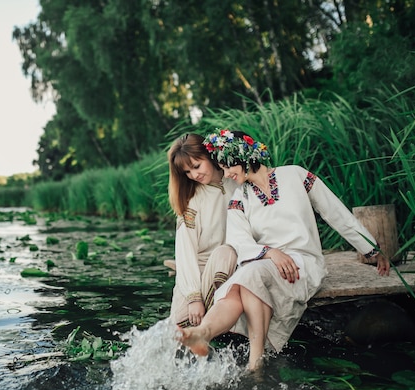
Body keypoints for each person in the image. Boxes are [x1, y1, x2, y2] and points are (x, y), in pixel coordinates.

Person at [178, 129, 390, 370]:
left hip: (303, 262)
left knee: (248, 277)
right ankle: (208, 336)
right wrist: (270, 252)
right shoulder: (241, 196)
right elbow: (238, 239)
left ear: (241, 156)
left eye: (227, 167)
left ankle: (245, 355)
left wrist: (371, 249)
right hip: (265, 261)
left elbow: (335, 212)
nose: (225, 174)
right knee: (245, 280)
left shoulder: (295, 176)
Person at [167, 133, 238, 328]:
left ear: (209, 156)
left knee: (226, 252)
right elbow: (185, 251)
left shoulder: (236, 182)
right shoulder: (192, 199)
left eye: (196, 166)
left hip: (230, 263)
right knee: (177, 331)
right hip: (196, 272)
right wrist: (193, 297)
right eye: (187, 172)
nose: (194, 175)